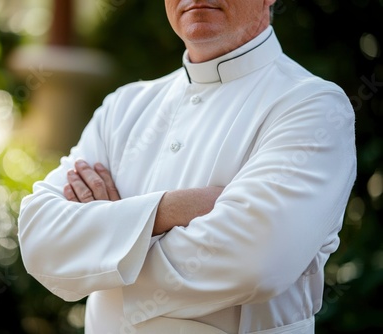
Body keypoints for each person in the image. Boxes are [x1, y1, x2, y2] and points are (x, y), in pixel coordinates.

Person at [18, 0, 357, 333]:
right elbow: (37, 237)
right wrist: (175, 208)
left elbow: (253, 263)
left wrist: (102, 249)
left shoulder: (313, 106)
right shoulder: (123, 107)